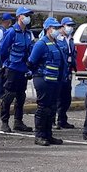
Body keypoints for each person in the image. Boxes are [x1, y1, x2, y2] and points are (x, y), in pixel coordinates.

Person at [28, 17, 68, 146]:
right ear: (48, 29)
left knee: (51, 107)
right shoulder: (41, 43)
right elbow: (31, 62)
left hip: (54, 80)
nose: (57, 30)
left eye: (58, 28)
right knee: (43, 107)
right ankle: (39, 135)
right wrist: (38, 73)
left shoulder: (56, 43)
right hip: (43, 79)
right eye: (54, 28)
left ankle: (48, 134)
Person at [0, 7, 35, 133]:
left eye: (29, 15)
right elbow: (2, 50)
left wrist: (30, 68)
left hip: (23, 69)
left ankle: (18, 122)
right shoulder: (11, 32)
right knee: (8, 96)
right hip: (12, 68)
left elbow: (30, 51)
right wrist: (6, 64)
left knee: (21, 96)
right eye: (26, 15)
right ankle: (4, 122)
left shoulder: (28, 34)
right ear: (19, 16)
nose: (28, 17)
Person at [56, 16, 78, 130]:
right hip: (59, 70)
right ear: (62, 26)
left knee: (66, 97)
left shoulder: (71, 39)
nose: (70, 28)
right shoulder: (57, 38)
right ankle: (52, 121)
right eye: (68, 25)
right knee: (57, 96)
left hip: (68, 70)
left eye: (72, 26)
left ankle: (62, 119)